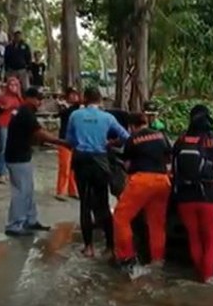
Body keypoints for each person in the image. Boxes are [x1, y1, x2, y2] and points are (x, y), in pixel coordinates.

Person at [66, 87, 130, 258]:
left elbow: (69, 140)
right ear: (100, 100)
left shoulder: (75, 116)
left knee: (85, 204)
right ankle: (110, 246)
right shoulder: (108, 117)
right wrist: (109, 143)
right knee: (102, 203)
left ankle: (88, 247)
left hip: (81, 160)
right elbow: (125, 137)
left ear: (85, 99)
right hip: (100, 161)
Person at [113, 112, 172, 278]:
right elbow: (168, 159)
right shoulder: (162, 135)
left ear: (131, 126)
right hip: (163, 181)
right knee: (157, 224)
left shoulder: (133, 138)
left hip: (141, 181)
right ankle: (157, 261)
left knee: (121, 218)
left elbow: (127, 163)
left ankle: (127, 258)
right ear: (146, 122)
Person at [4, 87, 68, 236]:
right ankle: (15, 224)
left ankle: (30, 220)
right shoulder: (25, 113)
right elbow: (40, 133)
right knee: (21, 191)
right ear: (29, 98)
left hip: (22, 155)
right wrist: (60, 141)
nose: (39, 102)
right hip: (17, 157)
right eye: (38, 99)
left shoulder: (24, 112)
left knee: (28, 190)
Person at [172, 105, 213, 283]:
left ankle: (198, 274)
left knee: (194, 238)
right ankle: (208, 279)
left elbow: (173, 168)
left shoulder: (181, 140)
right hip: (209, 196)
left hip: (185, 198)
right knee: (211, 240)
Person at [0, 76, 22, 184]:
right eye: (11, 85)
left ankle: (9, 172)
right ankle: (1, 172)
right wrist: (2, 107)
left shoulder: (19, 98)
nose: (13, 87)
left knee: (13, 149)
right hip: (4, 124)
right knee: (3, 148)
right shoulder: (3, 97)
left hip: (15, 126)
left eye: (15, 85)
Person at [56, 87, 80, 201]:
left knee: (74, 167)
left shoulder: (78, 108)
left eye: (76, 94)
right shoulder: (64, 107)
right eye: (72, 94)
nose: (74, 97)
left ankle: (73, 190)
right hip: (64, 140)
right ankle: (61, 191)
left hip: (76, 140)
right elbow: (64, 114)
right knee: (65, 166)